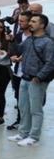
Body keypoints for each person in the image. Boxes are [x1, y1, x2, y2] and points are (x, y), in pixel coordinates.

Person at [8, 14, 54, 147]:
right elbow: (18, 49)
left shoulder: (48, 42)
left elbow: (50, 63)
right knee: (23, 107)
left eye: (34, 22)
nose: (30, 23)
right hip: (25, 77)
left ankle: (34, 136)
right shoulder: (29, 39)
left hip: (37, 80)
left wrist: (39, 76)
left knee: (35, 109)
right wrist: (11, 40)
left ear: (42, 25)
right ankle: (23, 133)